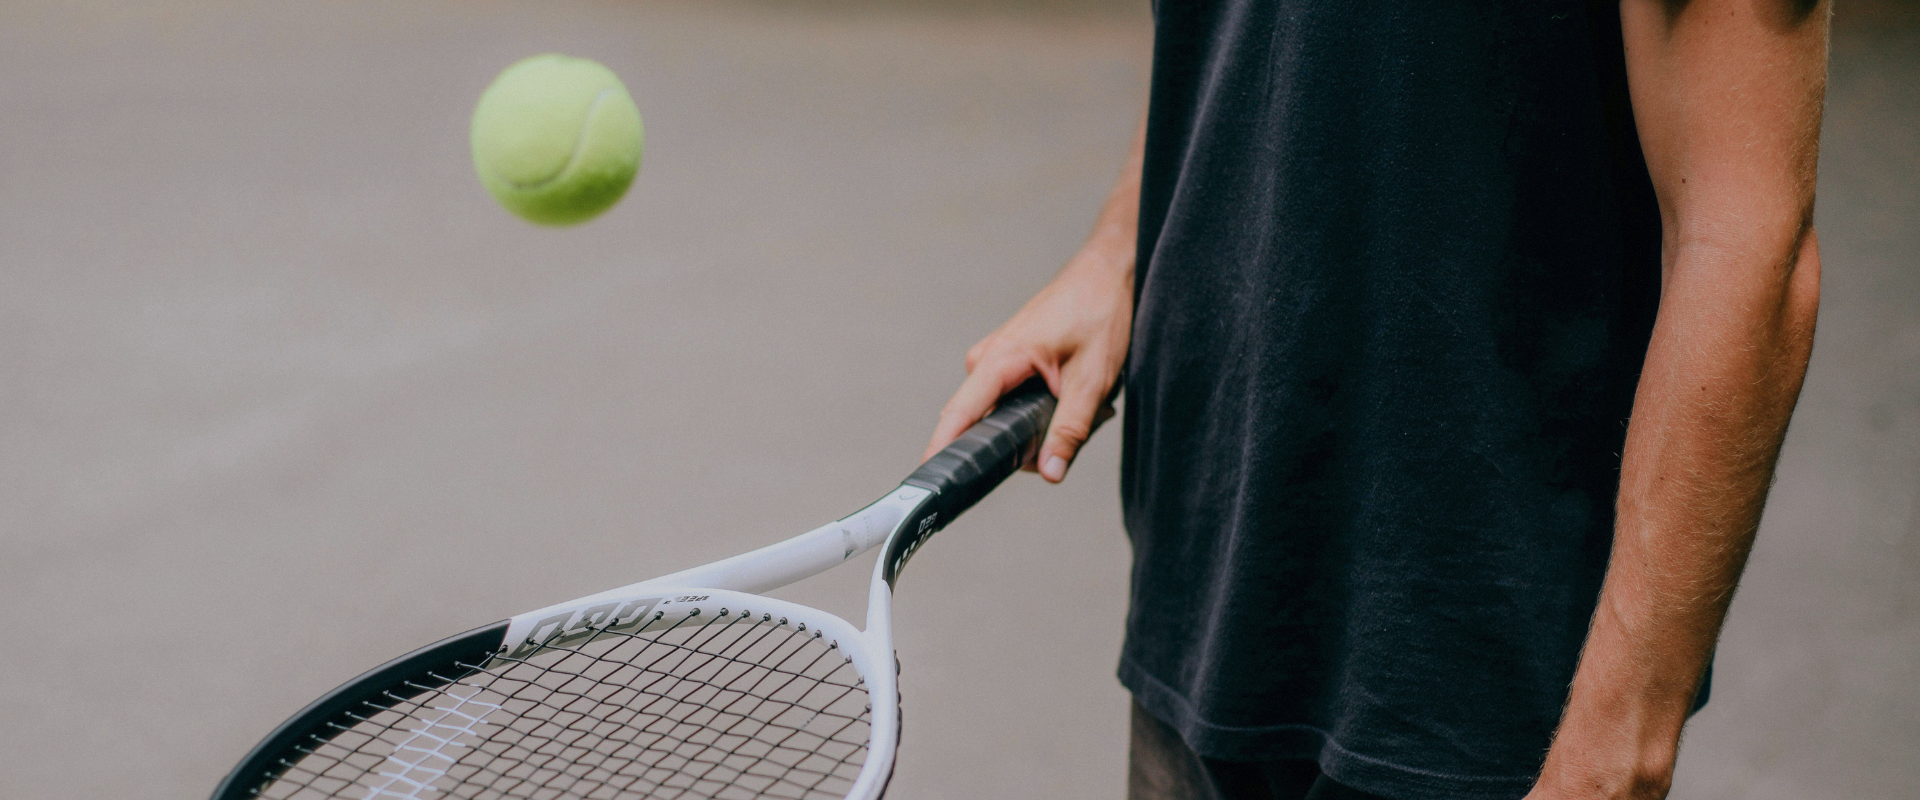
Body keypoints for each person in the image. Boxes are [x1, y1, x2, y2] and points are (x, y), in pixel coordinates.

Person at [922, 1, 1829, 798]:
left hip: (1476, 689)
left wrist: (1608, 762)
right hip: (1205, 591)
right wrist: (1118, 251)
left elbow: (1748, 245)